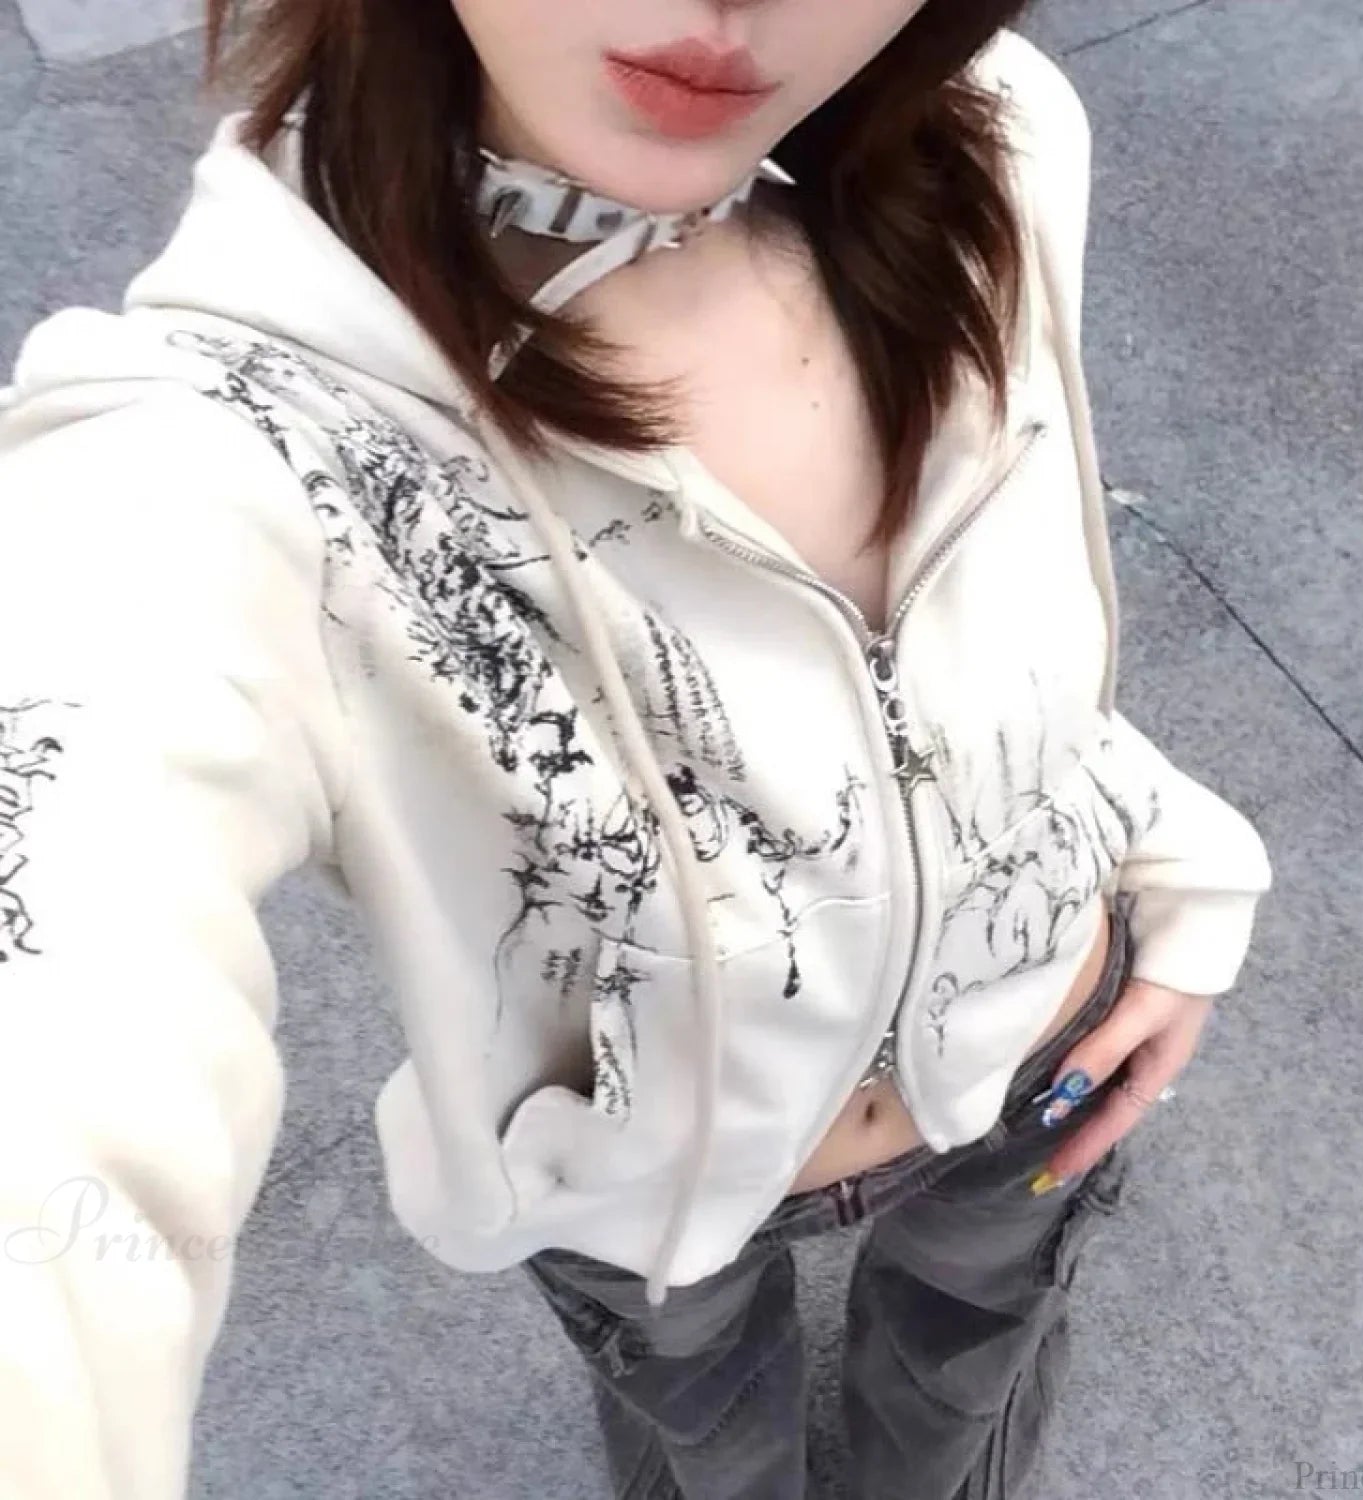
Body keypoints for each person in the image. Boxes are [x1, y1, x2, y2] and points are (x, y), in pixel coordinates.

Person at [0, 0, 1273, 1495]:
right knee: (708, 1457)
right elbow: (72, 933)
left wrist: (1180, 867)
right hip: (640, 1210)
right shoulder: (219, 440)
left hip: (1042, 1064)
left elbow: (1005, 625)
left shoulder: (998, 137)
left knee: (959, 1396)